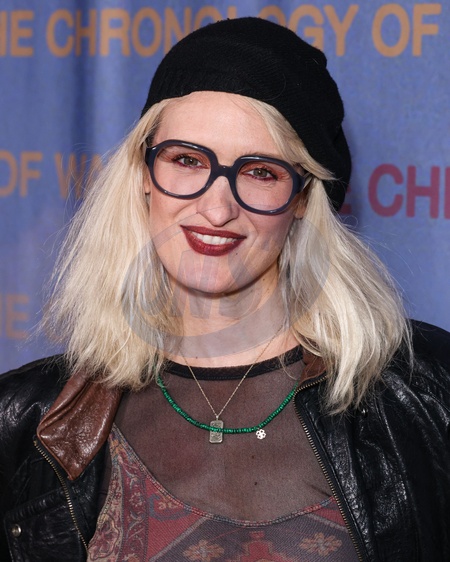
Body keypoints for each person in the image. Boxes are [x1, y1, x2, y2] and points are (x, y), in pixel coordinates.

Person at [0, 16, 449, 562]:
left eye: (260, 172)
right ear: (143, 175)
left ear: (303, 199)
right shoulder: (25, 424)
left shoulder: (426, 391)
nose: (217, 209)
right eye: (187, 161)